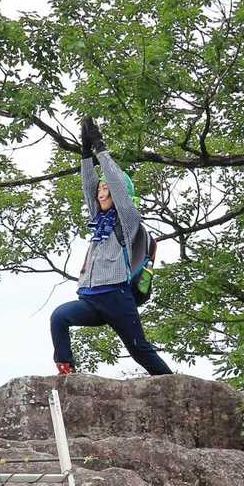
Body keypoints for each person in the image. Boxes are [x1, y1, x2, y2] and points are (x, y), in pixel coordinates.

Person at [50, 116, 171, 378]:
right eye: (100, 189)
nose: (100, 192)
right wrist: (85, 154)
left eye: (106, 189)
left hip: (116, 296)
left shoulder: (128, 221)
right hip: (91, 297)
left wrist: (100, 147)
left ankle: (173, 384)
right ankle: (67, 373)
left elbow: (117, 185)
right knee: (59, 317)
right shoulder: (98, 219)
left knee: (140, 350)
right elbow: (88, 186)